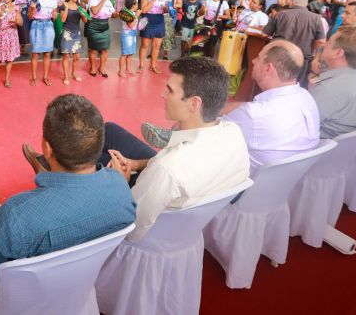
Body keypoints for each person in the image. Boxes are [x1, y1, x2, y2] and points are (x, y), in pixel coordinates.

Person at [0, 94, 136, 304]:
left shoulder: (16, 214)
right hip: (78, 288)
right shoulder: (122, 191)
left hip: (21, 300)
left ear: (47, 148)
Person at [102, 57, 250, 241]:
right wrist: (135, 164)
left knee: (101, 162)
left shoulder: (167, 169)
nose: (163, 95)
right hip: (189, 206)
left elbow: (130, 231)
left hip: (152, 228)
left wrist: (121, 184)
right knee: (110, 131)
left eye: (170, 90)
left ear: (194, 103)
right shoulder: (234, 134)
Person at [222, 40, 320, 173]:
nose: (253, 61)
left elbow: (208, 133)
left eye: (258, 57)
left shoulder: (254, 116)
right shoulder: (306, 98)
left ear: (268, 68)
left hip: (243, 188)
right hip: (286, 184)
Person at [309, 26, 356, 138]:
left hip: (320, 149)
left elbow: (294, 126)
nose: (324, 45)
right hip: (350, 150)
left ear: (338, 53)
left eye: (329, 42)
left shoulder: (328, 89)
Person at [264, 0, 325, 86]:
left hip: (278, 56)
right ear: (305, 3)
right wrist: (316, 59)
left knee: (273, 84)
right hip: (302, 59)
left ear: (291, 1)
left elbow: (266, 33)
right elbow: (321, 41)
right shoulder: (316, 18)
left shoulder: (281, 14)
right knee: (296, 87)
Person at [29, 0, 59, 86]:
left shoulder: (53, 1)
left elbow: (54, 17)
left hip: (48, 25)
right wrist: (32, 9)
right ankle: (34, 78)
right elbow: (30, 17)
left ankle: (45, 77)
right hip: (36, 25)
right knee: (35, 53)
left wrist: (55, 16)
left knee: (47, 53)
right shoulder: (34, 0)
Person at [138, 0, 167, 74]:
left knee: (156, 45)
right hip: (147, 19)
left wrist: (167, 9)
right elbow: (144, 10)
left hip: (159, 20)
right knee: (145, 45)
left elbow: (166, 10)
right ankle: (141, 65)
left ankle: (153, 66)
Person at [86, 0, 115, 77]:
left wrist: (119, 14)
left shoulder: (109, 2)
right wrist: (103, 0)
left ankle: (102, 68)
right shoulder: (93, 0)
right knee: (93, 50)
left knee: (105, 50)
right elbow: (94, 11)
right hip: (94, 25)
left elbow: (113, 14)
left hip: (105, 25)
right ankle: (93, 68)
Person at [60, 0, 87, 84]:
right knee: (66, 56)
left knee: (77, 57)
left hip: (76, 32)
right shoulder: (64, 5)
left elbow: (85, 20)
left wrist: (83, 14)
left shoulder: (80, 6)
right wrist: (66, 8)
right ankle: (66, 76)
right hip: (67, 32)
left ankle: (74, 73)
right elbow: (62, 20)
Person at [118, 0, 141, 77]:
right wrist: (137, 16)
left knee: (130, 53)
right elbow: (130, 25)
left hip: (133, 34)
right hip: (127, 35)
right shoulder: (126, 14)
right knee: (124, 54)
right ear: (133, 5)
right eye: (137, 4)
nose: (138, 5)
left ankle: (129, 68)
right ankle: (121, 71)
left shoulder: (134, 13)